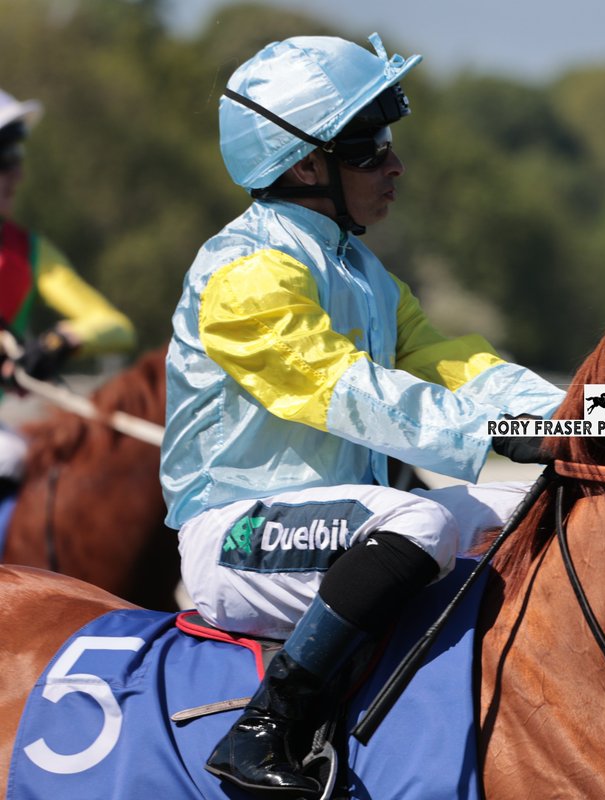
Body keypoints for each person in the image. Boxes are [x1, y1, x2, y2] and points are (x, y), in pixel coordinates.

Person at [160, 33, 562, 796]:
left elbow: (458, 366)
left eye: (389, 144)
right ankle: (266, 727)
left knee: (523, 507)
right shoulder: (245, 274)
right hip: (235, 535)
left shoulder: (363, 272)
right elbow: (351, 392)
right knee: (416, 524)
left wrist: (586, 413)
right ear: (307, 166)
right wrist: (502, 433)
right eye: (370, 148)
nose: (395, 165)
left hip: (341, 527)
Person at [0, 88, 136, 490]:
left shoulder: (31, 251)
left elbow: (116, 327)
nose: (18, 174)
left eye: (17, 158)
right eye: (5, 160)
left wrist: (59, 342)